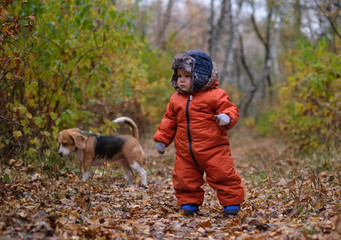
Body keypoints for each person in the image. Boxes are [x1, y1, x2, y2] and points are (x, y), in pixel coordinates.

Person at [153, 50, 244, 216]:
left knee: (224, 175)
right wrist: (162, 140)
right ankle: (188, 204)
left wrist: (226, 117)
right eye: (179, 75)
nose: (181, 80)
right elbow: (169, 120)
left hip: (214, 150)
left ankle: (231, 204)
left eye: (187, 76)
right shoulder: (176, 99)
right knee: (184, 179)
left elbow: (230, 109)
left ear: (200, 76)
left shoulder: (215, 95)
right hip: (185, 153)